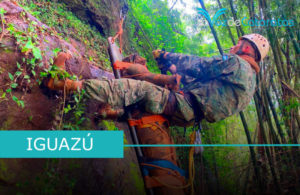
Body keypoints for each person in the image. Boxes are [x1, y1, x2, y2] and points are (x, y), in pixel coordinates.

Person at [46, 33, 270, 126]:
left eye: (239, 44)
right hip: (189, 118)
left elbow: (200, 64)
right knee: (151, 98)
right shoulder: (249, 85)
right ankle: (109, 113)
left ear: (247, 48)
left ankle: (63, 85)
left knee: (140, 89)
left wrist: (166, 56)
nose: (234, 46)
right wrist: (173, 70)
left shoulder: (237, 63)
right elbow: (204, 81)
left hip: (184, 105)